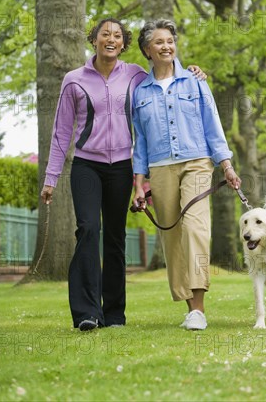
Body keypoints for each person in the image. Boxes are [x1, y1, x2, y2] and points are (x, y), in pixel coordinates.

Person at [40, 17, 205, 331]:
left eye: (117, 35)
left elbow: (165, 76)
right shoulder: (74, 79)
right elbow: (62, 133)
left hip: (121, 169)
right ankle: (87, 312)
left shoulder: (135, 75)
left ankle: (114, 314)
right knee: (88, 230)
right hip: (87, 166)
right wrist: (50, 178)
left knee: (115, 238)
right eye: (105, 34)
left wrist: (192, 71)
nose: (111, 39)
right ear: (95, 40)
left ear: (124, 44)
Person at [132, 19, 241, 331]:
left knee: (195, 229)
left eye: (170, 40)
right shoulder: (139, 92)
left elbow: (212, 123)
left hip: (196, 162)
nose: (167, 46)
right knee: (173, 236)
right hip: (160, 167)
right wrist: (139, 185)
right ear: (147, 50)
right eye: (159, 42)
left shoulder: (195, 81)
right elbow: (139, 142)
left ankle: (198, 310)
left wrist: (227, 164)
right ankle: (187, 305)